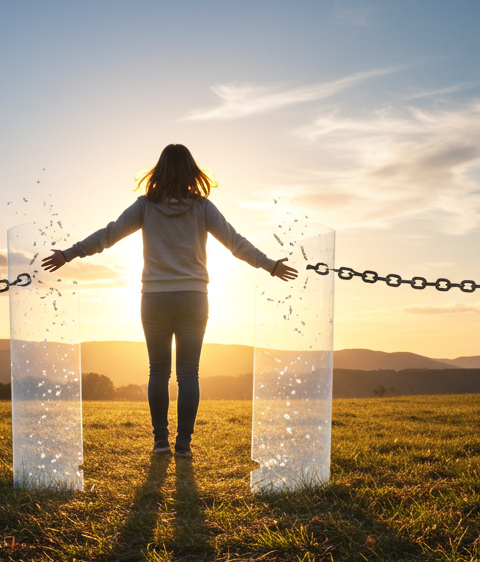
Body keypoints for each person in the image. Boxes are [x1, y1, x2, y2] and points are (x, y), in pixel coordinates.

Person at [42, 144, 297, 458]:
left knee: (158, 372)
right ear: (192, 170)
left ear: (159, 170)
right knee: (189, 373)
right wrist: (269, 264)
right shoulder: (202, 207)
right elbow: (234, 242)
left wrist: (69, 253)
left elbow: (109, 235)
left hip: (154, 299)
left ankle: (160, 442)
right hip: (194, 298)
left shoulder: (145, 206)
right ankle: (184, 446)